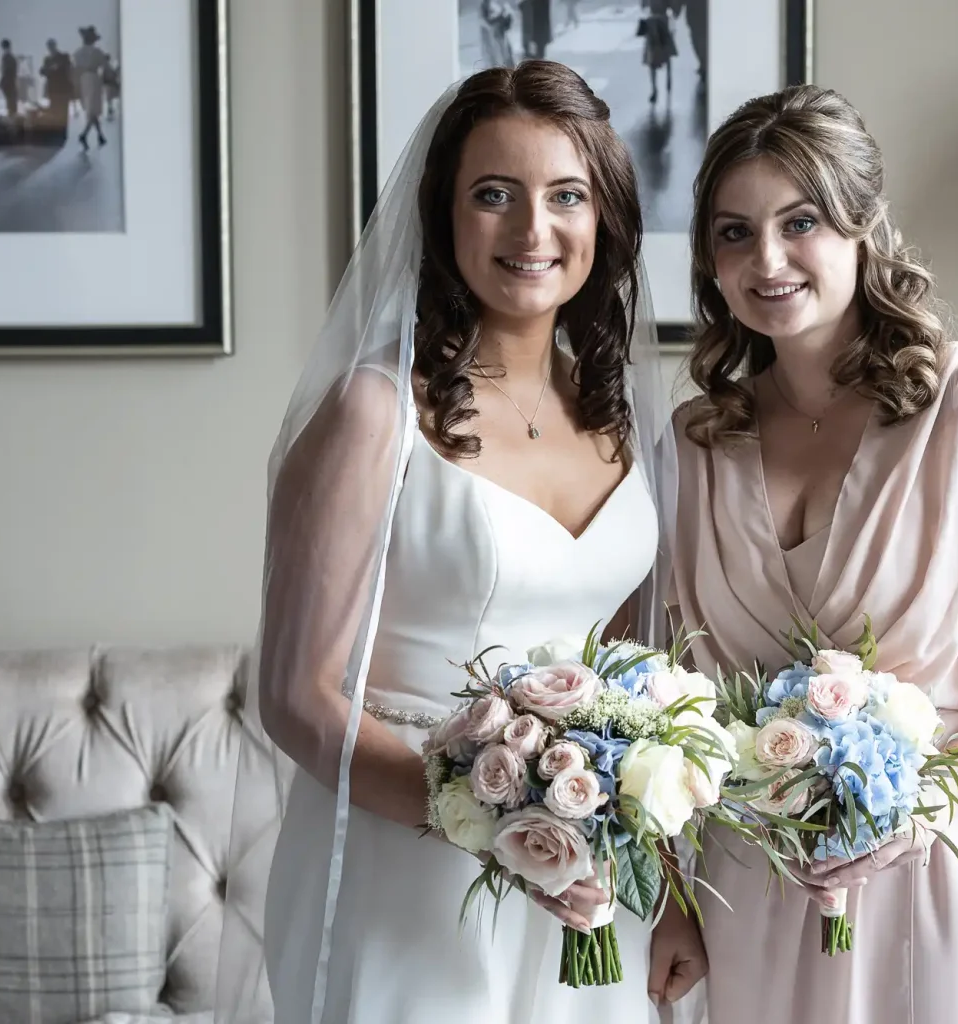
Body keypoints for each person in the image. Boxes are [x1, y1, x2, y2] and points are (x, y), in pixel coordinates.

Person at [210, 60, 689, 1023]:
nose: (532, 231)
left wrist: (659, 877)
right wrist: (499, 826)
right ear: (442, 217)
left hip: (589, 881)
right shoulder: (372, 415)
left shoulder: (629, 420)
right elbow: (296, 696)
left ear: (604, 220)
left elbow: (641, 680)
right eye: (493, 196)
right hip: (404, 868)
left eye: (566, 197)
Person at [659, 84, 958, 1023]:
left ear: (864, 225)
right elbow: (668, 693)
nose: (769, 259)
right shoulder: (698, 443)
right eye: (734, 233)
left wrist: (932, 804)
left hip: (943, 869)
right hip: (758, 879)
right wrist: (676, 901)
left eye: (801, 222)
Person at [0, 39, 17, 118]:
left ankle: (12, 116)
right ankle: (12, 115)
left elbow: (7, 71)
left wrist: (2, 81)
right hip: (10, 82)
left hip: (9, 82)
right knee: (11, 101)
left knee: (10, 101)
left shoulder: (7, 57)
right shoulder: (10, 57)